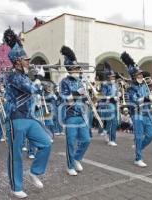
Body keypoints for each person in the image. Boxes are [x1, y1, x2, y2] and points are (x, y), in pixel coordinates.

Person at [3, 28, 52, 199]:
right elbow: (31, 89)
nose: (29, 62)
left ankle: (34, 172)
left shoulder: (24, 75)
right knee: (16, 153)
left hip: (29, 117)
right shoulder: (12, 76)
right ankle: (16, 187)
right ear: (17, 61)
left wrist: (41, 83)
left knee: (46, 143)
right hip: (16, 119)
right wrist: (38, 79)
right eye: (26, 59)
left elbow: (39, 91)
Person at [60, 45, 91, 176]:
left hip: (82, 114)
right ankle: (70, 165)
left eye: (78, 68)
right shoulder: (64, 82)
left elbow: (82, 96)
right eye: (76, 68)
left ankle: (77, 158)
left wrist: (87, 98)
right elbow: (64, 98)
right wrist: (77, 93)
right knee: (71, 141)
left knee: (86, 140)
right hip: (71, 115)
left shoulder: (80, 81)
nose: (78, 70)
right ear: (70, 69)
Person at [121, 52, 152, 167]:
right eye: (138, 75)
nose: (141, 77)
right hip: (137, 114)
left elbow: (147, 99)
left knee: (151, 135)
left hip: (147, 113)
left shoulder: (145, 86)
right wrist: (146, 98)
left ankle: (138, 147)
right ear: (134, 77)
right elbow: (135, 101)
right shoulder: (130, 88)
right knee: (139, 136)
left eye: (141, 75)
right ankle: (138, 157)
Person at [100, 65, 119, 146]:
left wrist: (119, 95)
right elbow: (102, 96)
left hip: (115, 103)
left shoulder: (116, 85)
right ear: (108, 77)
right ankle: (111, 139)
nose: (113, 78)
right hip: (108, 104)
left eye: (114, 77)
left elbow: (117, 94)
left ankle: (106, 132)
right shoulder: (105, 85)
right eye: (111, 77)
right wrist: (111, 97)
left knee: (115, 122)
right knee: (112, 121)